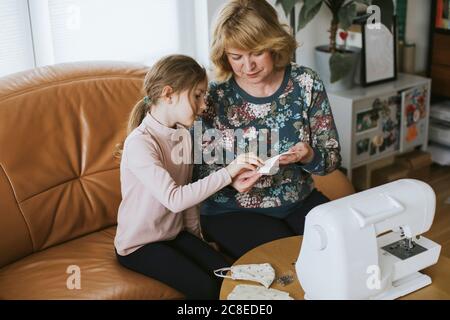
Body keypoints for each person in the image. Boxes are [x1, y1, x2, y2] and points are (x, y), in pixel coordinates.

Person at [193, 0, 342, 259]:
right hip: (231, 211)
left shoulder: (305, 83)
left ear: (274, 45)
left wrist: (309, 156)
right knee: (296, 262)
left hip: (299, 201)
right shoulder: (213, 95)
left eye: (256, 53)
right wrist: (230, 180)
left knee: (347, 246)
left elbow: (331, 159)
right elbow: (197, 172)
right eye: (236, 56)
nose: (247, 66)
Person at [113, 54, 263, 299]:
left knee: (228, 275)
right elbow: (175, 198)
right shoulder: (140, 144)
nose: (204, 104)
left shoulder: (183, 135)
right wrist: (228, 172)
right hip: (139, 245)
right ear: (168, 94)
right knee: (206, 288)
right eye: (197, 95)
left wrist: (198, 240)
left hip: (173, 234)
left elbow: (189, 191)